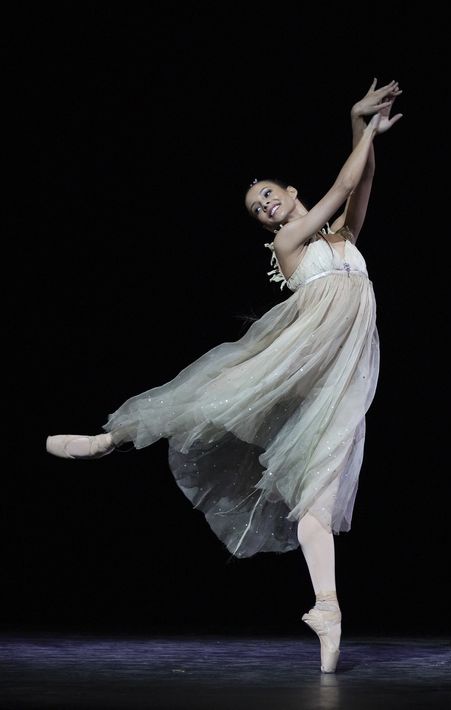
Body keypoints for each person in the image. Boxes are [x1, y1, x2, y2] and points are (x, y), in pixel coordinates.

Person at [46, 78, 403, 673]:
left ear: (291, 191)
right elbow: (342, 183)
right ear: (269, 224)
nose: (266, 206)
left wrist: (359, 128)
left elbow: (358, 185)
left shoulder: (344, 239)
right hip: (297, 354)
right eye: (257, 209)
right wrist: (360, 124)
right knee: (210, 395)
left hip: (340, 374)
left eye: (269, 194)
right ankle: (111, 439)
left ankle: (327, 609)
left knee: (319, 485)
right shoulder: (293, 242)